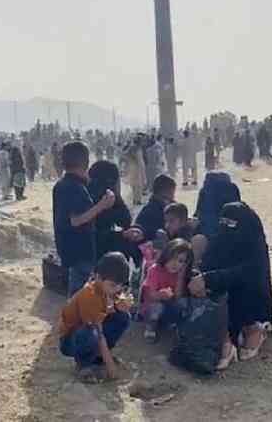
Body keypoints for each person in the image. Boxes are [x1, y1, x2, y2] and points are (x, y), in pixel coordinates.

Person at [188, 202, 272, 370]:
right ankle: (226, 340)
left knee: (244, 287)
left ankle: (255, 329)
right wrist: (199, 276)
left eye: (232, 224)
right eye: (224, 223)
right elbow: (209, 263)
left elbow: (246, 272)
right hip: (224, 295)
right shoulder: (221, 238)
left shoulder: (255, 245)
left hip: (252, 300)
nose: (227, 228)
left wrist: (209, 278)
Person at [53, 141, 116, 297]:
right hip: (79, 250)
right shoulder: (74, 187)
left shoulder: (62, 185)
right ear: (86, 162)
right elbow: (76, 220)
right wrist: (102, 205)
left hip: (69, 249)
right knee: (80, 296)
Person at [59, 252, 132, 381]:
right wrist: (110, 365)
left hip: (88, 330)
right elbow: (98, 332)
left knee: (123, 317)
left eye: (121, 285)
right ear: (98, 277)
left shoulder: (106, 288)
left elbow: (114, 303)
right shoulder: (89, 295)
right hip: (71, 340)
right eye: (113, 285)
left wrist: (120, 305)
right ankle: (84, 364)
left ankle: (97, 357)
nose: (117, 289)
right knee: (91, 332)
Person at [87, 160, 144, 263]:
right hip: (93, 254)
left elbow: (125, 220)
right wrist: (122, 235)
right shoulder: (93, 198)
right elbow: (95, 237)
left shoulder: (103, 195)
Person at [141, 239, 192, 343]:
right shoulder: (155, 270)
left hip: (169, 305)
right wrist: (160, 295)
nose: (175, 263)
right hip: (152, 306)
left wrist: (180, 277)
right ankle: (151, 326)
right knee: (157, 306)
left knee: (183, 302)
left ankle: (174, 325)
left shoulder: (180, 274)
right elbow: (150, 295)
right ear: (165, 256)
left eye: (180, 261)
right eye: (172, 258)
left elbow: (178, 296)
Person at [133, 174, 176, 242]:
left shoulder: (173, 206)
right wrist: (155, 233)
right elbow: (139, 229)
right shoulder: (148, 211)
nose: (172, 198)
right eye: (171, 195)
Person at [122, 136, 146, 206]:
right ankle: (137, 200)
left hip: (132, 168)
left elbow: (125, 155)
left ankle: (135, 199)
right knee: (138, 185)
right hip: (136, 168)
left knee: (134, 185)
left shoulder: (131, 148)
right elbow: (139, 160)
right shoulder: (137, 149)